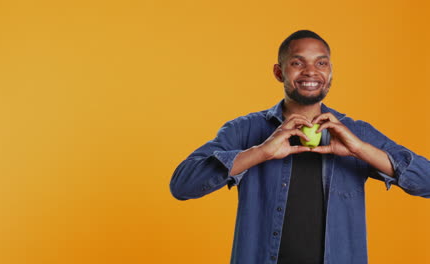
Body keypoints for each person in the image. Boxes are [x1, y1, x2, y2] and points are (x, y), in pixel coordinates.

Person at [169, 30, 430, 264]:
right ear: (279, 72)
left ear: (330, 73)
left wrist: (360, 149)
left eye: (321, 63)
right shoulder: (244, 130)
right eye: (297, 63)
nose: (310, 71)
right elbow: (182, 185)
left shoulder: (355, 132)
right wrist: (260, 152)